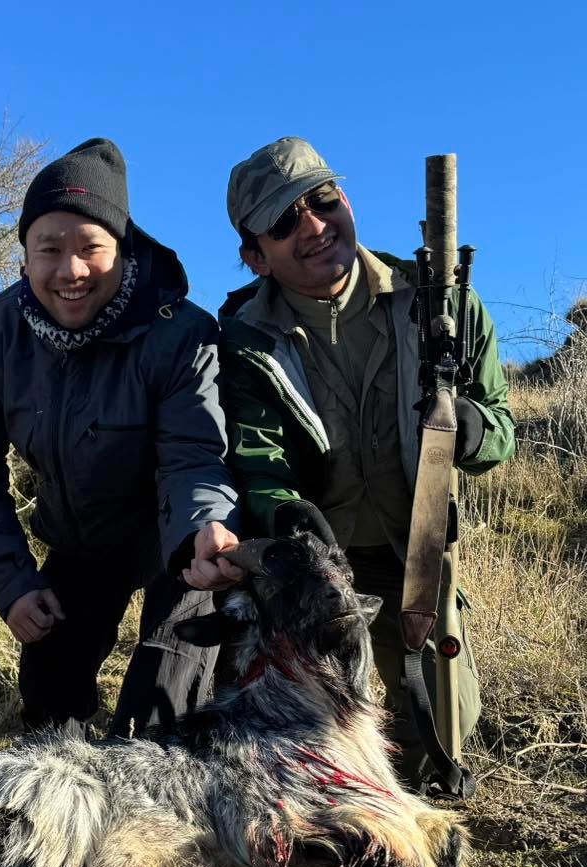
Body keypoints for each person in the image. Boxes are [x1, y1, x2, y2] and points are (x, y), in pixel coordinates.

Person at [215, 135, 516, 787]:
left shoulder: (442, 304)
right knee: (302, 740)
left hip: (419, 548)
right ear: (254, 257)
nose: (316, 227)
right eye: (285, 222)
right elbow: (260, 462)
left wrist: (473, 429)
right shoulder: (243, 342)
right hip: (318, 560)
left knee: (441, 735)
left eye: (323, 200)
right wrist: (287, 522)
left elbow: (502, 429)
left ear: (345, 198)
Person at [0, 137, 240, 740]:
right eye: (49, 248)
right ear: (24, 253)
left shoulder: (182, 334)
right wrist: (14, 584)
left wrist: (199, 536)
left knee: (154, 721)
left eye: (91, 248)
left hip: (171, 544)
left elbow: (191, 458)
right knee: (49, 706)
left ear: (124, 250)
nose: (70, 271)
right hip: (78, 541)